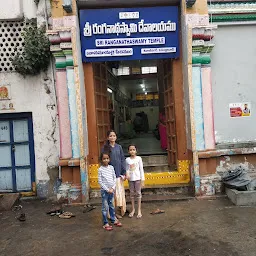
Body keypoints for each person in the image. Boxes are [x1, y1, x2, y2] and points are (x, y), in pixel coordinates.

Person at [103, 130, 126, 218]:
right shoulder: (105, 148)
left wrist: (124, 172)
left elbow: (122, 159)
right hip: (109, 175)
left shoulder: (119, 147)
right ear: (108, 138)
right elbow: (103, 160)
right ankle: (110, 214)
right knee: (110, 195)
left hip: (118, 174)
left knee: (118, 195)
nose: (112, 137)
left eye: (114, 136)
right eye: (110, 136)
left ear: (116, 137)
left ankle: (118, 211)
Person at [98, 152, 122, 231]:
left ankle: (113, 219)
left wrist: (112, 188)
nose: (106, 160)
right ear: (101, 160)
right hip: (105, 191)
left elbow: (114, 178)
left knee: (111, 205)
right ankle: (105, 223)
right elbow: (100, 181)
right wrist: (107, 189)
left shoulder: (111, 168)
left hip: (112, 190)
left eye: (107, 158)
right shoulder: (100, 169)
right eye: (104, 159)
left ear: (109, 159)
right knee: (105, 207)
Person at [126, 144, 145, 219]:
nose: (132, 151)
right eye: (130, 150)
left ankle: (139, 210)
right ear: (128, 151)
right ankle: (133, 209)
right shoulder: (127, 160)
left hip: (137, 179)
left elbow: (141, 169)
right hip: (130, 179)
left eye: (133, 149)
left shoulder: (139, 158)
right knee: (131, 194)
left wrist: (142, 180)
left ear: (136, 151)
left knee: (138, 193)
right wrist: (127, 175)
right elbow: (127, 169)